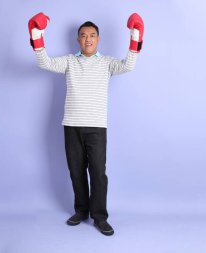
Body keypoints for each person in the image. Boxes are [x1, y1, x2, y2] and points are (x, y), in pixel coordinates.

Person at [28, 12, 144, 236]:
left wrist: (136, 34)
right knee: (76, 171)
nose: (88, 39)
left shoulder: (107, 63)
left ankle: (100, 217)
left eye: (92, 35)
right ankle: (81, 211)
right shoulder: (70, 61)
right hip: (71, 125)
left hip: (97, 127)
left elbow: (129, 65)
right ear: (78, 40)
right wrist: (36, 33)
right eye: (83, 35)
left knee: (98, 173)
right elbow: (44, 62)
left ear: (98, 39)